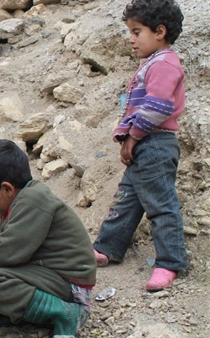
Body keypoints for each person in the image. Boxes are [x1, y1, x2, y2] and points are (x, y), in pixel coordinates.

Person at [92, 0, 187, 292]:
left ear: (159, 31)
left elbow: (158, 107)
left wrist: (132, 137)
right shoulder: (153, 63)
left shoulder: (165, 63)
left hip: (155, 143)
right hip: (147, 142)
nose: (130, 39)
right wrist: (130, 140)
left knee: (161, 205)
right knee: (127, 199)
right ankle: (107, 248)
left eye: (137, 32)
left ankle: (170, 262)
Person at [0, 139, 96, 337]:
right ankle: (24, 312)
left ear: (7, 189)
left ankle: (67, 313)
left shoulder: (32, 201)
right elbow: (5, 251)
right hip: (49, 272)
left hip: (69, 283)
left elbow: (11, 252)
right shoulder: (17, 202)